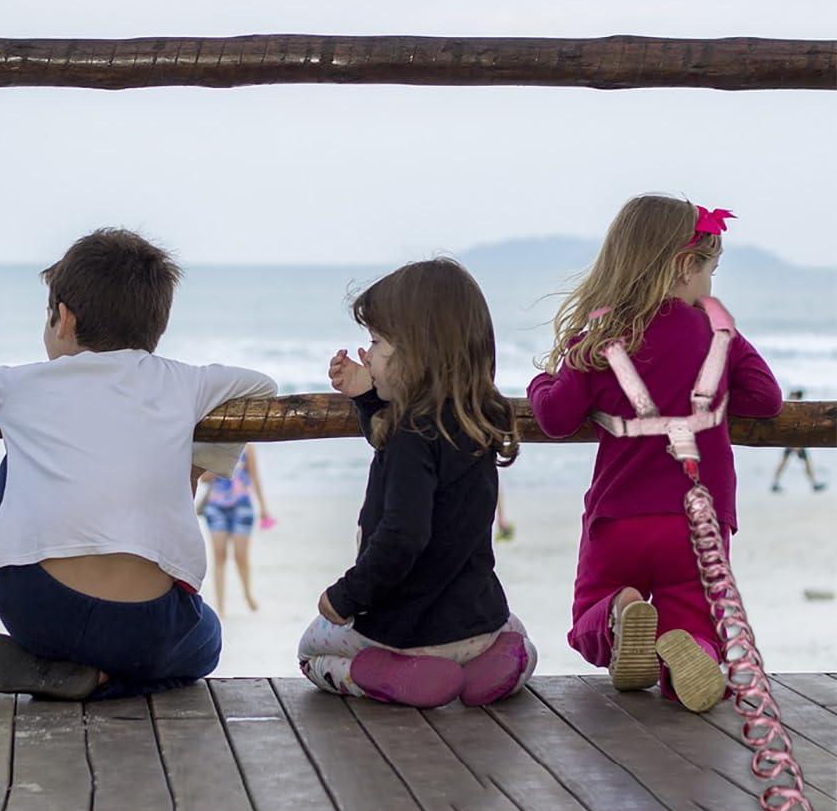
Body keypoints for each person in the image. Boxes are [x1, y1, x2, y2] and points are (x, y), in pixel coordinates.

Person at [0, 229, 277, 700]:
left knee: (15, 463)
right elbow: (261, 386)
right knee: (207, 642)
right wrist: (193, 469)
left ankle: (72, 671)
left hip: (38, 609)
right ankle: (110, 683)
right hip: (147, 628)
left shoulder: (19, 385)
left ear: (63, 318)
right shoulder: (185, 383)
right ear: (156, 325)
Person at [528, 195, 781, 713]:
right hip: (698, 521)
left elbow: (555, 417)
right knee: (696, 618)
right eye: (709, 271)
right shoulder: (716, 332)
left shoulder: (599, 337)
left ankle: (620, 612)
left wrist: (541, 381)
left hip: (619, 518)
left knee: (587, 616)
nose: (711, 286)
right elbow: (767, 398)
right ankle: (696, 657)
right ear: (685, 266)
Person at [298, 259, 537, 709]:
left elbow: (403, 535)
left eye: (376, 342)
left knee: (311, 651)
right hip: (477, 626)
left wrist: (346, 596)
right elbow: (386, 436)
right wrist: (368, 395)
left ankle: (384, 673)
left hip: (399, 633)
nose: (366, 355)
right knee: (517, 633)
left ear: (416, 354)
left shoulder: (410, 434)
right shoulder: (478, 420)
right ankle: (491, 668)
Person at [196, 445, 272, 616]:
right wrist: (218, 460)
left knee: (241, 556)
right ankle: (221, 607)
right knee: (219, 556)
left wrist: (263, 507)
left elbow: (255, 477)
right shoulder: (213, 446)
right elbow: (204, 479)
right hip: (216, 506)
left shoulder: (248, 447)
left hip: (242, 505)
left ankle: (248, 595)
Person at [771, 389, 826, 492]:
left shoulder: (789, 406)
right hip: (794, 442)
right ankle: (813, 484)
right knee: (794, 463)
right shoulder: (791, 406)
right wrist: (795, 446)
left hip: (794, 441)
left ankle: (775, 483)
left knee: (788, 462)